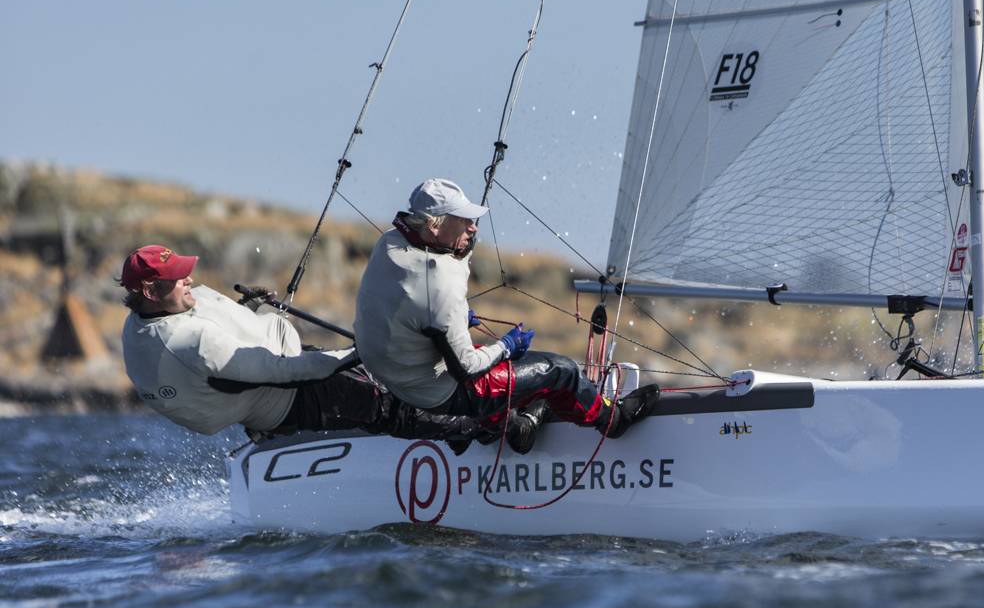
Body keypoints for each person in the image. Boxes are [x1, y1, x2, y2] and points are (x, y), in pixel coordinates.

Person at [354, 178, 658, 454]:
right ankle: (613, 420)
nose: (473, 228)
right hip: (435, 394)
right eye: (463, 220)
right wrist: (506, 347)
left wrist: (447, 320)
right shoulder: (439, 281)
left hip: (396, 377)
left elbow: (406, 304)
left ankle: (512, 432)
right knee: (561, 371)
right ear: (433, 226)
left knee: (485, 359)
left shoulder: (390, 242)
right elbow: (466, 370)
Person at [118, 245, 480, 448]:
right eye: (176, 278)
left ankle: (460, 411)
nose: (189, 279)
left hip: (275, 371)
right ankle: (481, 430)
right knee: (384, 406)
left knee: (384, 378)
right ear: (149, 291)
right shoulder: (187, 344)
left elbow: (217, 354)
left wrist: (247, 310)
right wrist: (363, 351)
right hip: (292, 395)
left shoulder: (142, 322)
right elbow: (282, 372)